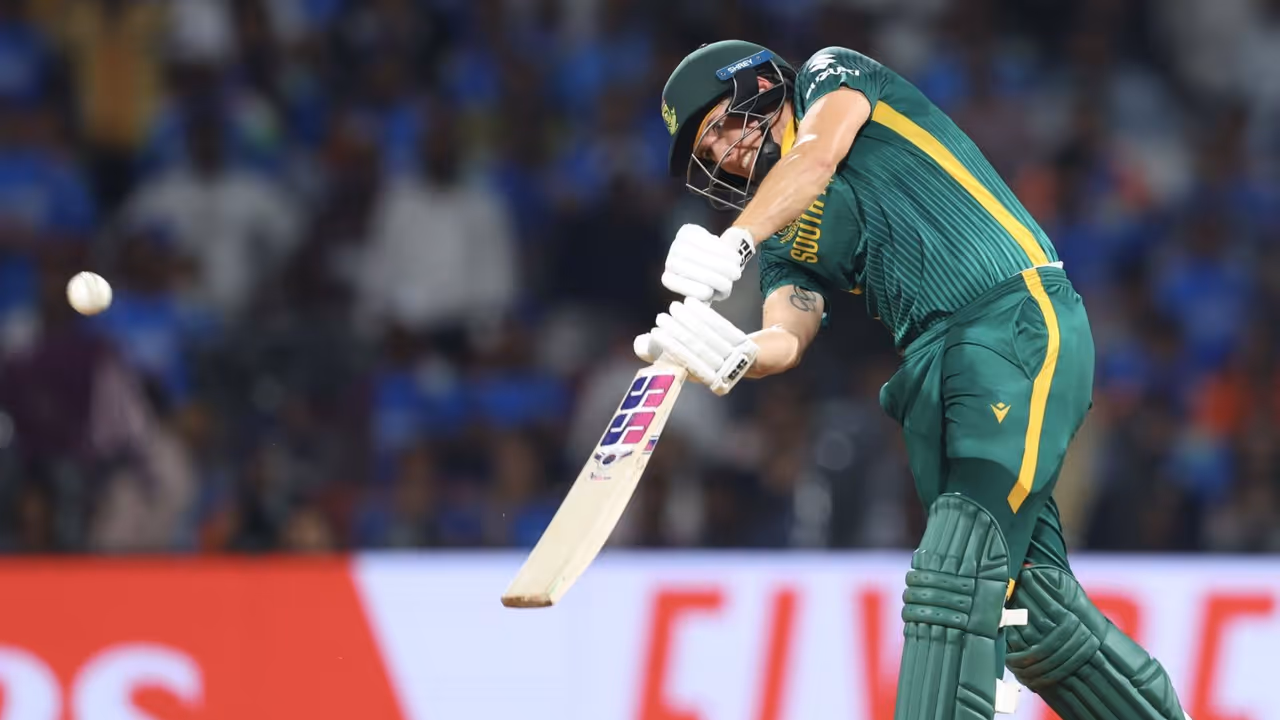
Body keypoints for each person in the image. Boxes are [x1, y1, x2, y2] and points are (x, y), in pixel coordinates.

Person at [634, 39, 1190, 720]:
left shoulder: (829, 76)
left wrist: (735, 242)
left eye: (721, 125)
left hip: (1011, 317)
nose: (724, 153)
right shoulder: (782, 232)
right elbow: (790, 330)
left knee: (952, 579)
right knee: (1033, 611)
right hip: (931, 370)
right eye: (708, 149)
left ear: (758, 85)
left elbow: (817, 157)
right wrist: (737, 354)